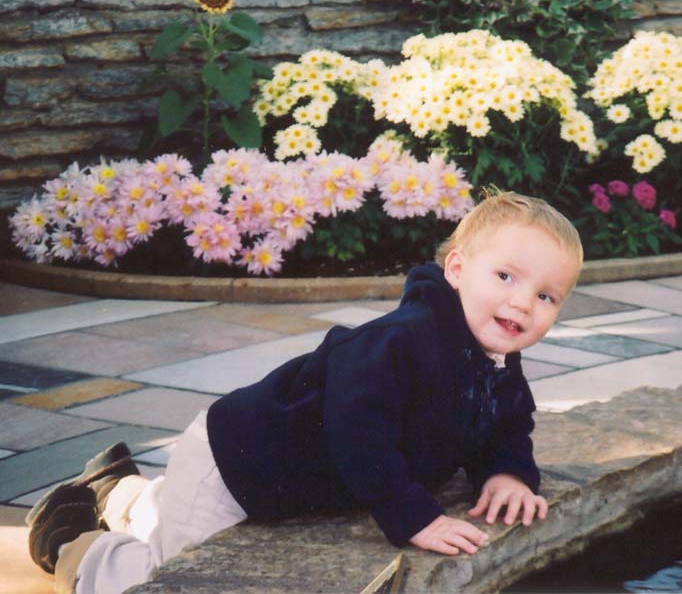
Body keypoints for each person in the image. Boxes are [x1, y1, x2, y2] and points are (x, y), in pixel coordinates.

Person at [27, 191, 584, 594]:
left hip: (287, 481)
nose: (522, 303)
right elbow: (356, 431)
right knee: (172, 578)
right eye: (506, 277)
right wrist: (414, 516)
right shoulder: (400, 341)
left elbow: (508, 422)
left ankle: (124, 494)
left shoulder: (493, 360)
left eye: (546, 296)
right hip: (237, 468)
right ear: (457, 269)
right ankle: (77, 546)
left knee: (181, 518)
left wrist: (508, 472)